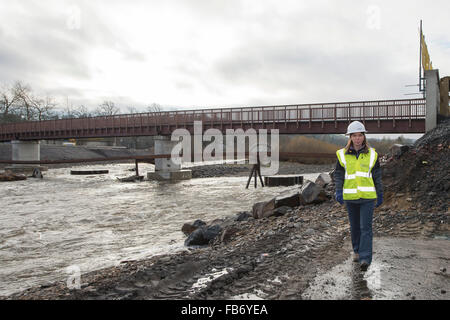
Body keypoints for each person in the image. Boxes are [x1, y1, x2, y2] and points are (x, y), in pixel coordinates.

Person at [334, 121, 383, 271]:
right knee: (355, 227)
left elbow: (377, 176)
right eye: (354, 135)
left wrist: (380, 193)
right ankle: (356, 251)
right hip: (350, 197)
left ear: (364, 136)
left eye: (360, 135)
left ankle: (365, 258)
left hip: (367, 197)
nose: (357, 138)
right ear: (350, 137)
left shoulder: (372, 154)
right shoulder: (342, 154)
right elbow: (338, 175)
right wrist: (339, 191)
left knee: (366, 228)